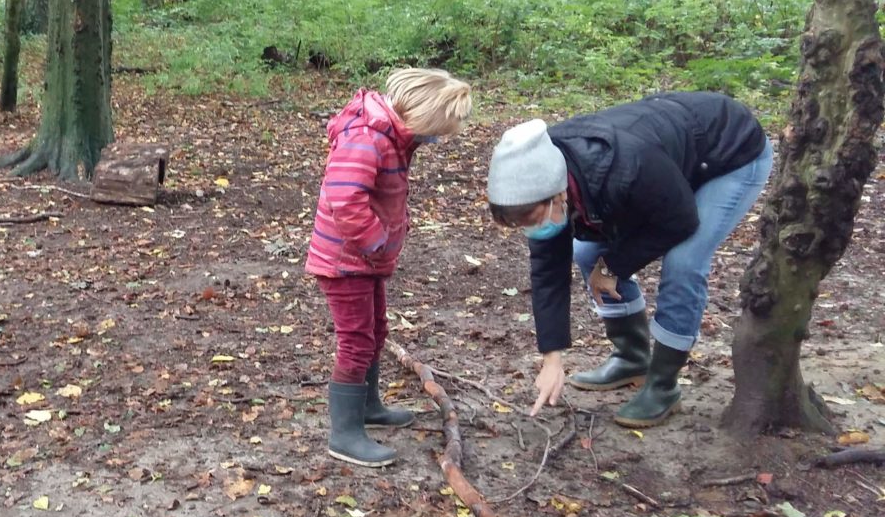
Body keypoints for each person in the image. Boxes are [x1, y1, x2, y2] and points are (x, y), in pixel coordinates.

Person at [485, 91, 773, 428]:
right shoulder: (540, 176)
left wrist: (612, 267)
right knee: (587, 251)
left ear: (558, 194)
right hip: (669, 167)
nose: (531, 230)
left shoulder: (626, 166)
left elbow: (679, 221)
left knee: (684, 262)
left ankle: (663, 385)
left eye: (534, 219)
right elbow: (548, 274)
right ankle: (631, 357)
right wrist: (552, 359)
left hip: (729, 155)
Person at [306, 68, 473, 467]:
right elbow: (345, 199)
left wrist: (393, 232)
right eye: (436, 131)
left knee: (377, 331)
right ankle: (344, 433)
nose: (434, 140)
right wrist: (376, 241)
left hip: (366, 261)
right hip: (345, 261)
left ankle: (369, 406)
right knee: (356, 341)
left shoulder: (393, 138)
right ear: (420, 116)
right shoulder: (367, 139)